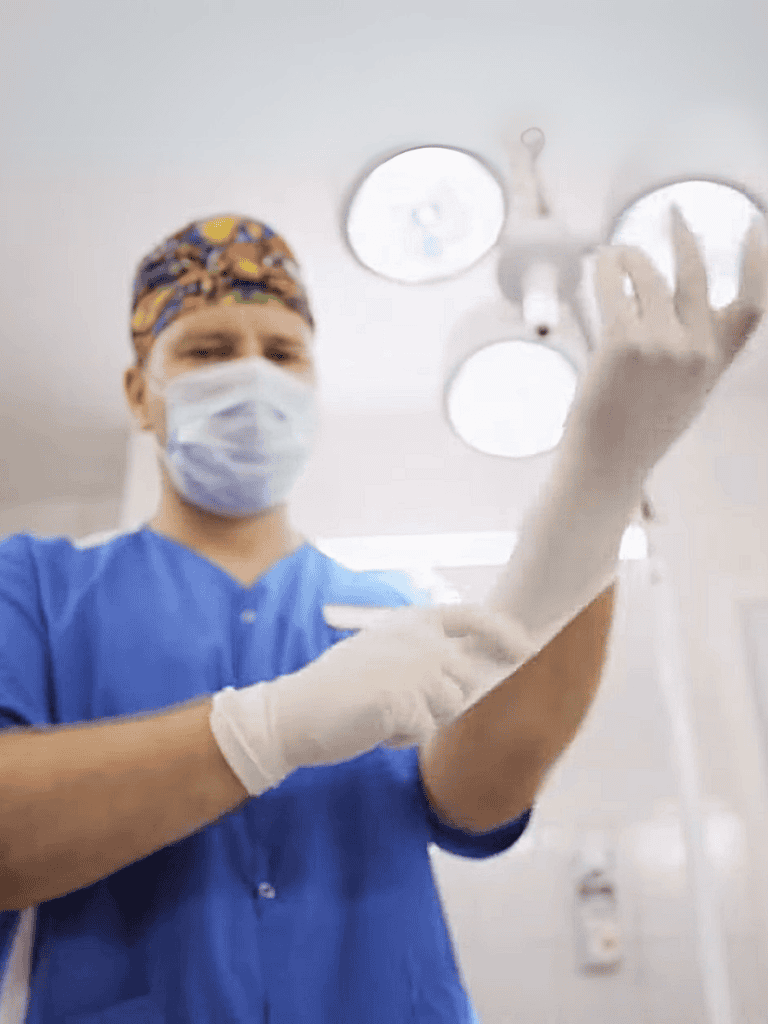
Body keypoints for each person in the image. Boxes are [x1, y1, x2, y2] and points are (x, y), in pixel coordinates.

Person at [0, 209, 764, 1024]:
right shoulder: (39, 590)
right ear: (138, 393)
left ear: (311, 387)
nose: (252, 374)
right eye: (208, 351)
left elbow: (479, 794)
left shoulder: (395, 608)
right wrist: (270, 727)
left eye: (282, 352)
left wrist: (604, 483)